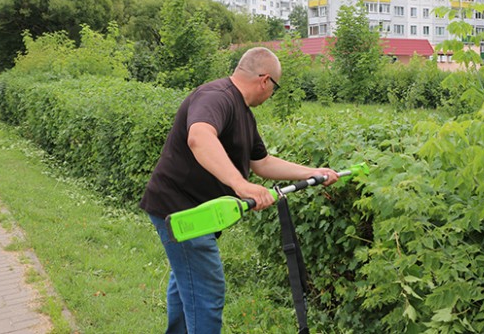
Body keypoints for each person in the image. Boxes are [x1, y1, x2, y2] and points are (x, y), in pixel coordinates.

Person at [140, 46, 339, 334]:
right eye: (275, 88)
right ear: (265, 80)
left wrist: (312, 172)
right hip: (180, 210)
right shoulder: (217, 97)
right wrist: (240, 184)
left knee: (187, 285)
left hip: (198, 213)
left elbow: (262, 163)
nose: (272, 94)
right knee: (207, 290)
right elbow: (199, 137)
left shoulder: (242, 112)